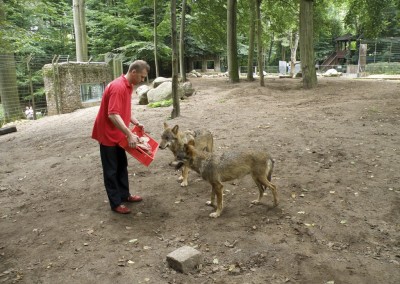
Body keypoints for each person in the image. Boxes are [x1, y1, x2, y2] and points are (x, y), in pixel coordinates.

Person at [92, 60, 150, 214]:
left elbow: (124, 109)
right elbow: (112, 114)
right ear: (133, 72)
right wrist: (129, 133)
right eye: (142, 77)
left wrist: (135, 122)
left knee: (121, 165)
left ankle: (125, 195)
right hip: (107, 134)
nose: (142, 80)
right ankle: (115, 203)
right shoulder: (118, 87)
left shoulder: (128, 86)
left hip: (118, 133)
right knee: (111, 170)